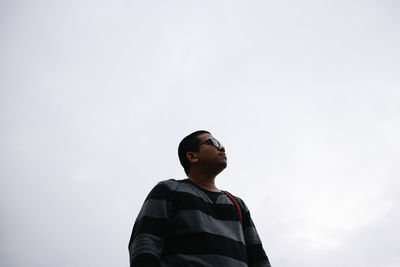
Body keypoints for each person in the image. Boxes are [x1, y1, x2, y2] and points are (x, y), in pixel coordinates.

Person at [128, 130, 271, 267]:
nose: (221, 147)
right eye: (212, 143)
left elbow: (258, 257)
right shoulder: (169, 190)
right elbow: (145, 242)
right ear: (192, 156)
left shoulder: (238, 205)